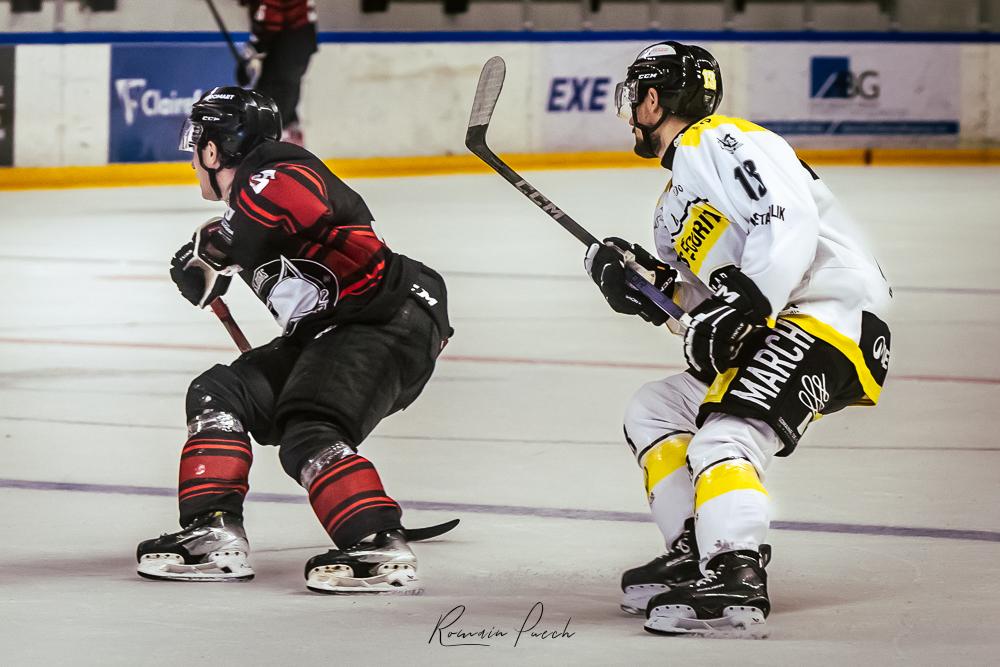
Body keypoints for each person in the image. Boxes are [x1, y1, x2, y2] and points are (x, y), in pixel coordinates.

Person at [584, 42, 891, 637]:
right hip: (784, 320)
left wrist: (749, 302)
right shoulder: (672, 205)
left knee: (727, 433)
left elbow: (786, 218)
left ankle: (734, 574)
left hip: (829, 314)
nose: (630, 115)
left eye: (634, 99)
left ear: (654, 100)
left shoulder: (720, 140)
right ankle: (696, 550)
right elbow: (706, 311)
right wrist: (648, 286)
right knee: (655, 408)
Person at [135, 87, 452, 595]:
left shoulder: (278, 171)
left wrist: (223, 246)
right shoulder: (246, 205)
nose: (192, 160)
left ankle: (376, 544)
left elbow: (289, 198)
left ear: (213, 150)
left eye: (197, 146)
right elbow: (240, 245)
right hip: (335, 331)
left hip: (388, 319)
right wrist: (209, 262)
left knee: (310, 430)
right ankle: (212, 532)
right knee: (219, 392)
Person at [238, 0, 317, 145]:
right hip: (298, 40)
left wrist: (254, 50)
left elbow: (271, 19)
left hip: (288, 41)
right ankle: (288, 138)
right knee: (283, 98)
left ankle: (279, 145)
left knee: (272, 101)